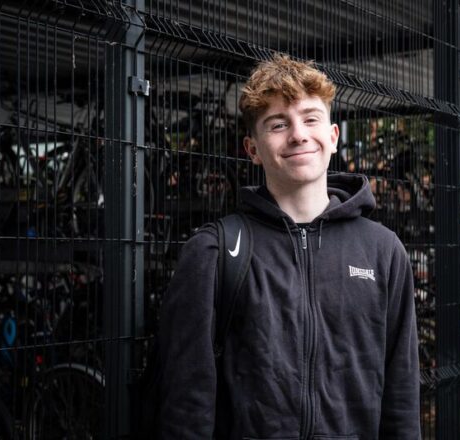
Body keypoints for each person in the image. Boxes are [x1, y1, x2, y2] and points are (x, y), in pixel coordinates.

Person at [158, 54, 420, 439]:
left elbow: (402, 393)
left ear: (332, 137)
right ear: (252, 149)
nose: (298, 134)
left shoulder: (383, 252)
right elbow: (186, 400)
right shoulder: (214, 251)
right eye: (278, 124)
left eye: (311, 119)